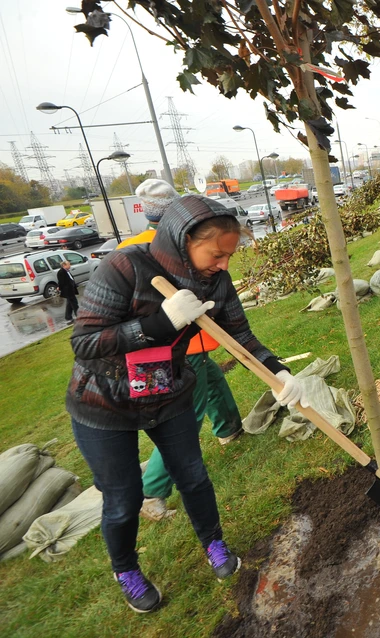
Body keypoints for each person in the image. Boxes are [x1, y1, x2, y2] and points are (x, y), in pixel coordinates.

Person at [66, 195, 309, 612]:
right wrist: (156, 324)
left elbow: (239, 335)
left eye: (229, 256)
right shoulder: (124, 268)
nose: (224, 265)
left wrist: (279, 371)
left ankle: (213, 543)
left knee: (193, 477)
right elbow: (84, 343)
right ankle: (126, 569)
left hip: (167, 389)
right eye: (217, 254)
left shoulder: (215, 281)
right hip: (103, 401)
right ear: (183, 241)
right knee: (123, 499)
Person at [117, 180, 246, 522]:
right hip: (178, 352)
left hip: (173, 350)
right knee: (184, 416)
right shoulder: (168, 251)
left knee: (213, 380)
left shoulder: (132, 244)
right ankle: (152, 492)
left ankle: (229, 428)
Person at [57, 259, 80, 323]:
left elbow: (71, 279)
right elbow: (61, 282)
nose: (70, 265)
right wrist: (60, 288)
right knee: (74, 303)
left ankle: (68, 317)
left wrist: (74, 285)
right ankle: (79, 316)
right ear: (64, 265)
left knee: (69, 304)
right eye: (69, 264)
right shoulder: (61, 272)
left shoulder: (67, 271)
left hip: (71, 289)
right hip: (68, 291)